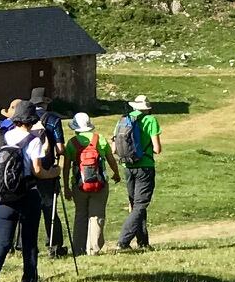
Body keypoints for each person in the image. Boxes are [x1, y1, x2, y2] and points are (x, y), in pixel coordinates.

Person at [0, 100, 58, 282]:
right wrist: (54, 173)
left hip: (4, 196)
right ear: (32, 120)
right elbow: (38, 171)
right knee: (29, 239)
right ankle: (30, 277)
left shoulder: (2, 137)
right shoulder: (33, 141)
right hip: (27, 194)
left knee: (3, 241)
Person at [63, 112, 120, 255]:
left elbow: (66, 167)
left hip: (79, 185)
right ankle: (94, 249)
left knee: (81, 215)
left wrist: (66, 187)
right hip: (99, 184)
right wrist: (116, 173)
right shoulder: (99, 139)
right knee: (97, 215)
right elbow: (111, 159)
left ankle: (78, 249)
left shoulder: (72, 143)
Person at [115, 94, 163, 252]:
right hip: (145, 166)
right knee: (141, 205)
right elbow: (157, 149)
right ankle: (123, 241)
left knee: (135, 205)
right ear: (147, 109)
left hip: (128, 166)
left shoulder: (123, 119)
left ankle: (142, 242)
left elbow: (115, 148)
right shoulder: (151, 120)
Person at [29, 88, 68, 258]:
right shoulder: (52, 119)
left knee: (29, 209)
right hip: (46, 169)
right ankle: (55, 246)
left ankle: (24, 246)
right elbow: (60, 149)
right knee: (49, 209)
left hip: (27, 168)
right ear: (45, 102)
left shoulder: (25, 118)